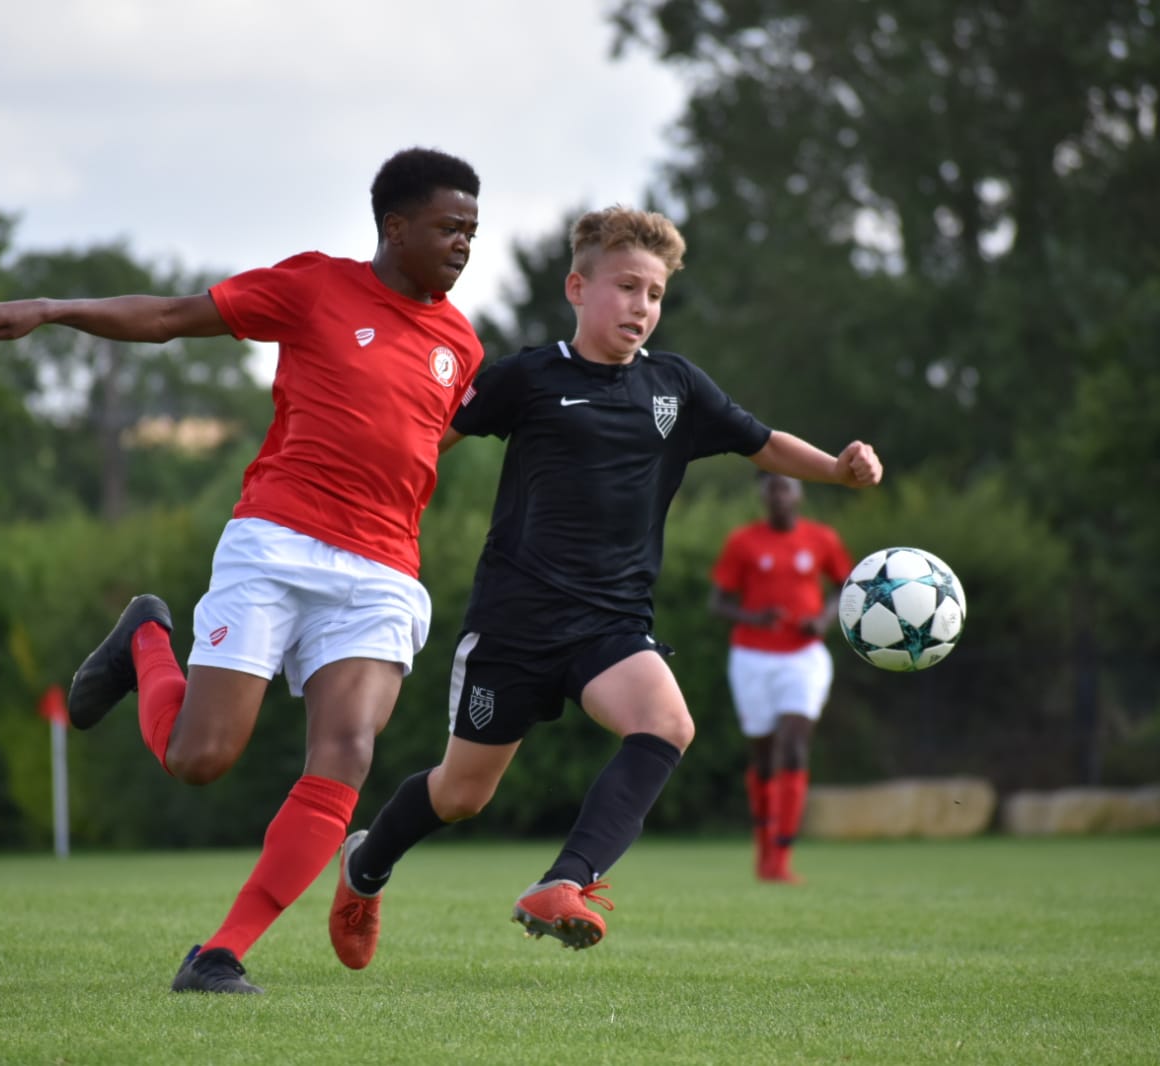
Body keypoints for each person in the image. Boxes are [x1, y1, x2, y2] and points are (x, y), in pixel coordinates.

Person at [0, 147, 484, 995]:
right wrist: (50, 309)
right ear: (395, 226)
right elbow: (166, 315)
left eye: (473, 232)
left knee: (345, 753)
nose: (463, 245)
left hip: (382, 569)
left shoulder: (462, 342)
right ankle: (145, 640)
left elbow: (426, 435)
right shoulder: (313, 287)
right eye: (449, 227)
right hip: (275, 544)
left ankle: (220, 953)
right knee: (199, 758)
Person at [326, 206, 883, 970]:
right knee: (462, 794)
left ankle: (564, 883)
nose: (641, 308)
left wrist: (835, 468)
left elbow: (760, 442)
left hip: (610, 624)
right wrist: (352, 501)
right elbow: (421, 443)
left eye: (653, 294)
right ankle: (364, 867)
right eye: (626, 288)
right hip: (514, 624)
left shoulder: (675, 386)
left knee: (666, 725)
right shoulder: (526, 378)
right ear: (577, 287)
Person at [709, 472, 854, 883]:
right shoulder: (743, 542)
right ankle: (764, 851)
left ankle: (782, 858)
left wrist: (824, 619)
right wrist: (754, 617)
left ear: (799, 493)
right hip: (752, 658)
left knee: (793, 746)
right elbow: (717, 603)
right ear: (762, 496)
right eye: (770, 487)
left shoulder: (822, 539)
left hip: (803, 658)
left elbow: (845, 585)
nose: (778, 494)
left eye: (785, 486)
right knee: (763, 754)